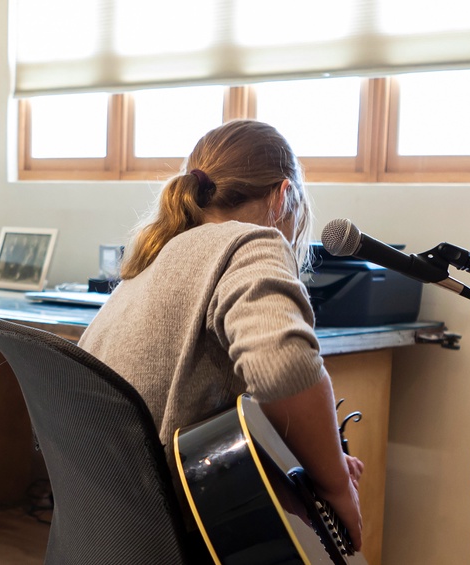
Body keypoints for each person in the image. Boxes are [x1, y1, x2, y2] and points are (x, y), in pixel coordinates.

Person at [77, 119, 364, 551]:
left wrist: (311, 459)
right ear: (284, 196)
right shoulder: (252, 242)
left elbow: (203, 410)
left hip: (110, 524)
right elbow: (283, 368)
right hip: (177, 529)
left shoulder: (157, 255)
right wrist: (338, 487)